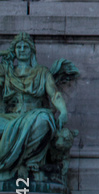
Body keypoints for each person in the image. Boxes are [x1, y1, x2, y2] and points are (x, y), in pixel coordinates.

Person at [0, 33, 72, 182]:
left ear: (31, 50)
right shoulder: (7, 72)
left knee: (45, 119)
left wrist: (63, 110)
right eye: (18, 47)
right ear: (14, 51)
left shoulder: (42, 72)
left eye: (25, 46)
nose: (21, 50)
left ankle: (27, 162)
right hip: (10, 117)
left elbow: (54, 94)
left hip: (34, 115)